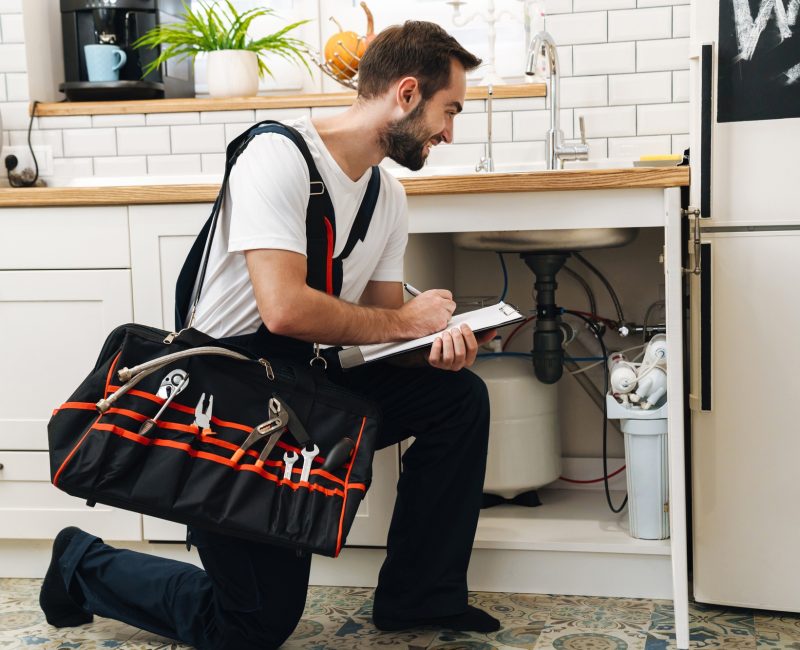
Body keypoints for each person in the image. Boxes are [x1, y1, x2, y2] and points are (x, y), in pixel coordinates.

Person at [40, 20, 500, 649]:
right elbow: (283, 309)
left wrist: (437, 345)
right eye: (450, 110)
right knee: (250, 626)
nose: (450, 131)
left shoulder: (387, 196)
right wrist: (406, 323)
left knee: (458, 399)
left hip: (311, 381)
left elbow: (387, 323)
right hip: (232, 396)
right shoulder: (277, 156)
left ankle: (419, 598)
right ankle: (80, 564)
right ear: (409, 93)